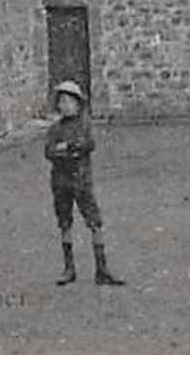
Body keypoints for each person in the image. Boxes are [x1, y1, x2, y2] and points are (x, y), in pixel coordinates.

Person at [45, 80, 125, 287]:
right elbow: (50, 152)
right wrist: (68, 149)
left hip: (81, 181)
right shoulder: (55, 129)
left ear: (78, 104)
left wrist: (68, 148)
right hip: (61, 182)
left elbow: (86, 145)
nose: (65, 105)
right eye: (62, 101)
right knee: (64, 222)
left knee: (94, 222)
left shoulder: (84, 126)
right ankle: (69, 268)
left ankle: (102, 269)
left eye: (70, 101)